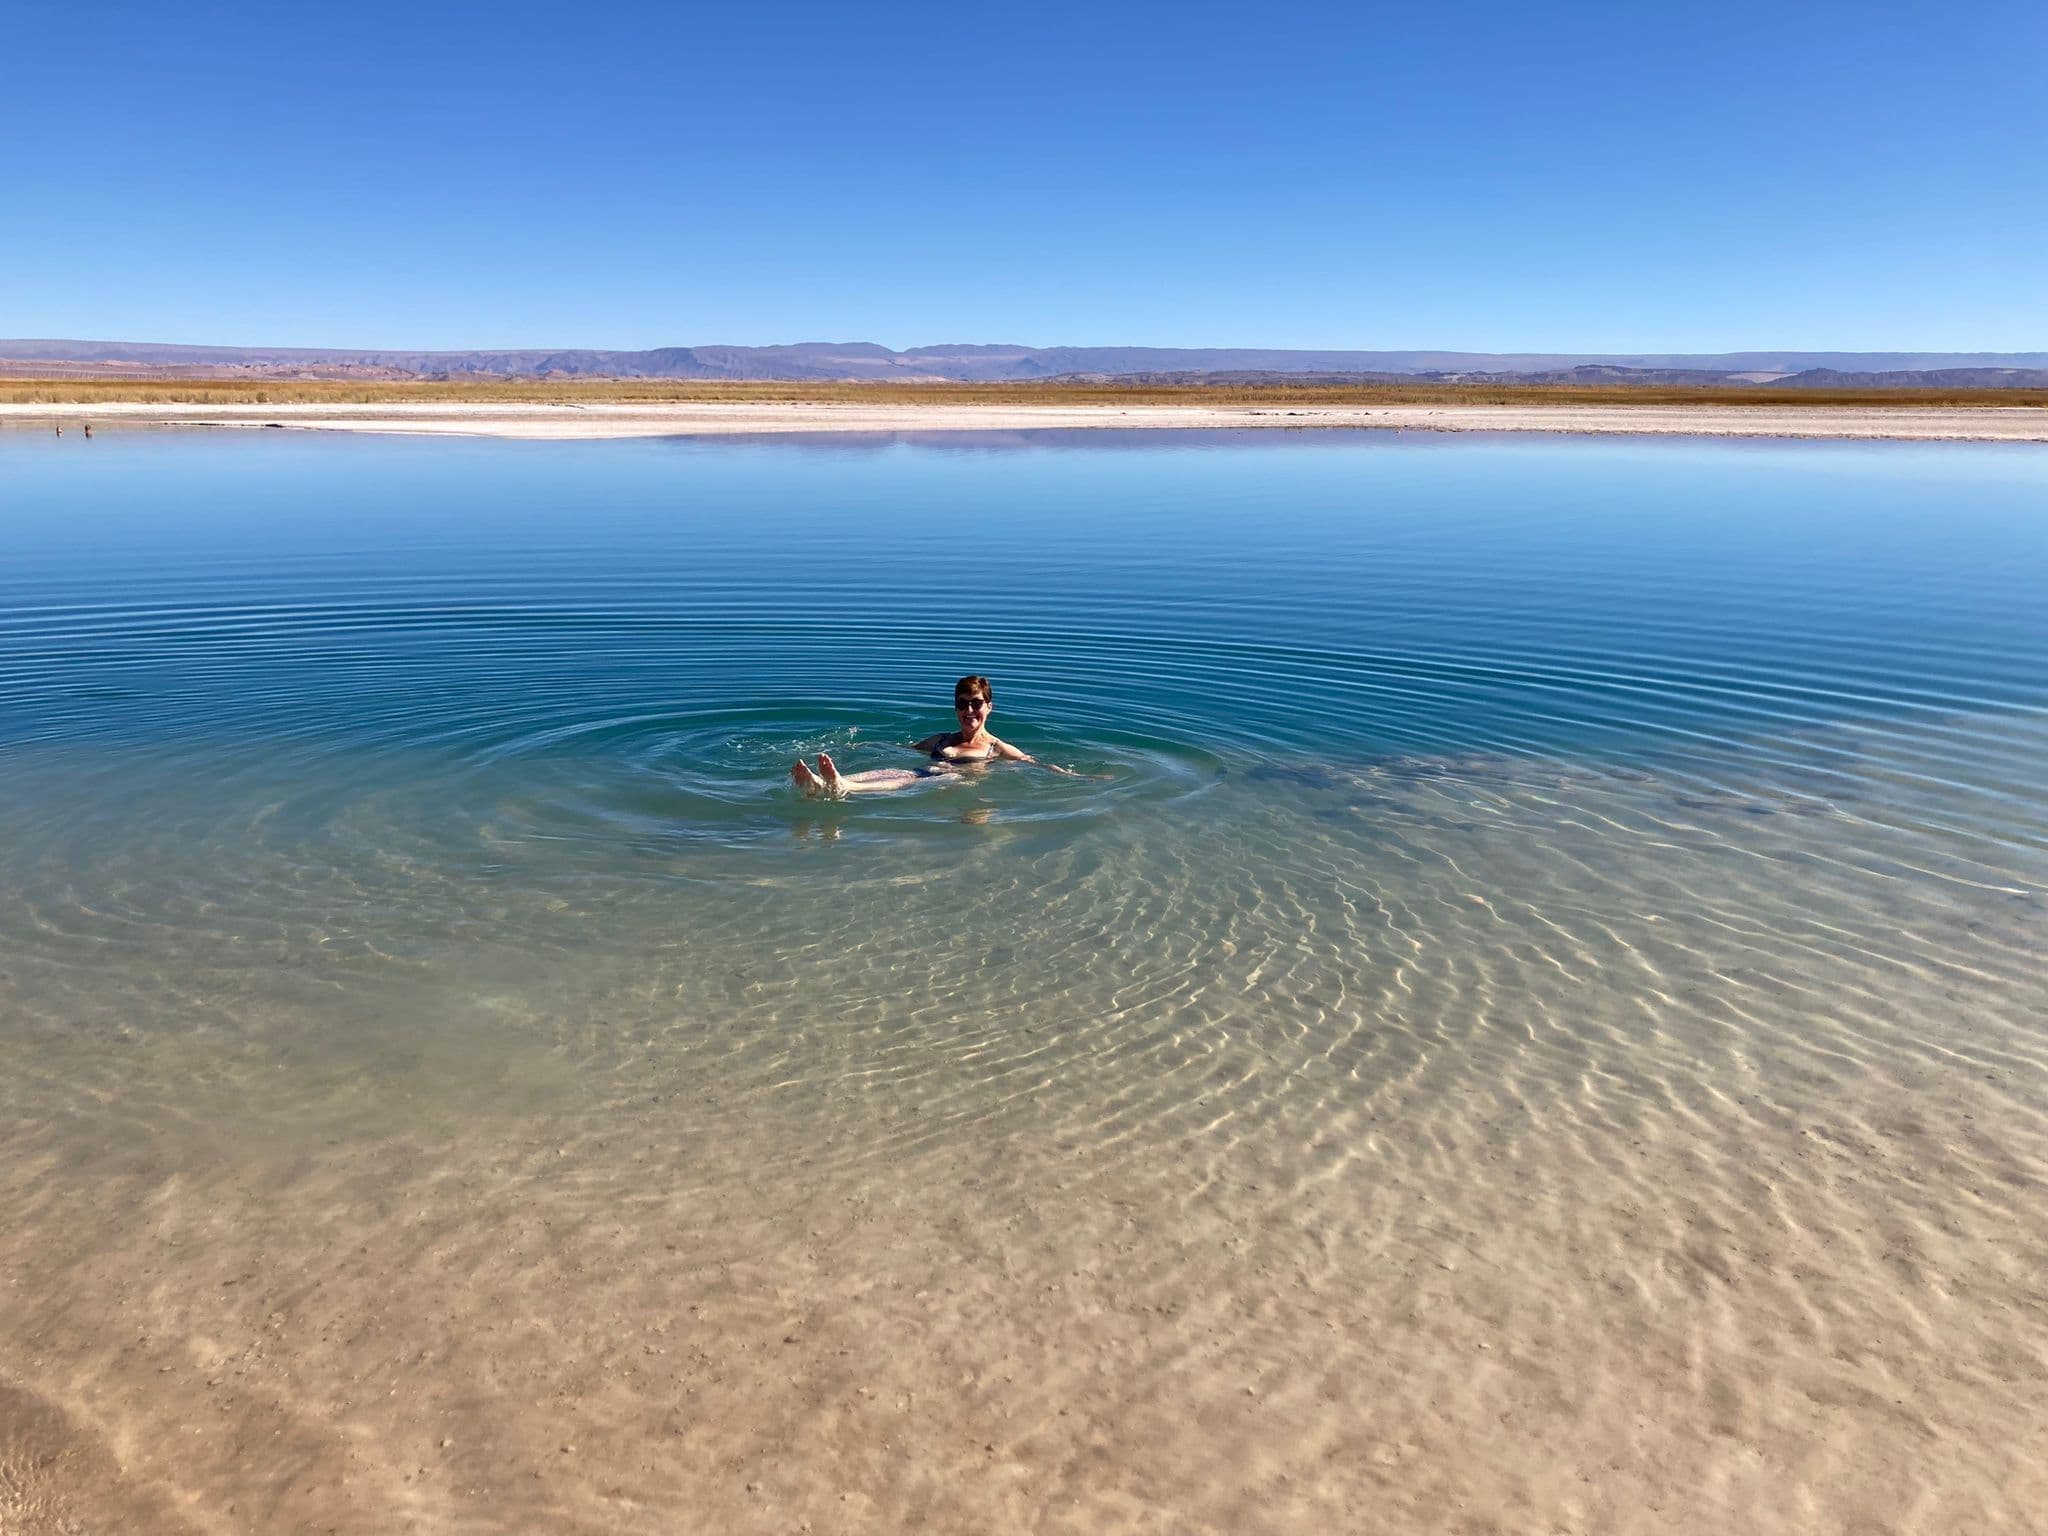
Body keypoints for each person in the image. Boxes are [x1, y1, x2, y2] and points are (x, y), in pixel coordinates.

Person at [791, 674, 1081, 797]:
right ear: (956, 708)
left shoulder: (996, 748)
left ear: (989, 707)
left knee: (905, 779)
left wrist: (1076, 778)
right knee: (891, 770)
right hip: (921, 771)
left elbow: (1035, 763)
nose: (969, 710)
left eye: (976, 703)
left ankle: (843, 787)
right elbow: (903, 748)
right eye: (962, 704)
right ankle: (821, 783)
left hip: (950, 780)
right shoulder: (942, 739)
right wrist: (863, 743)